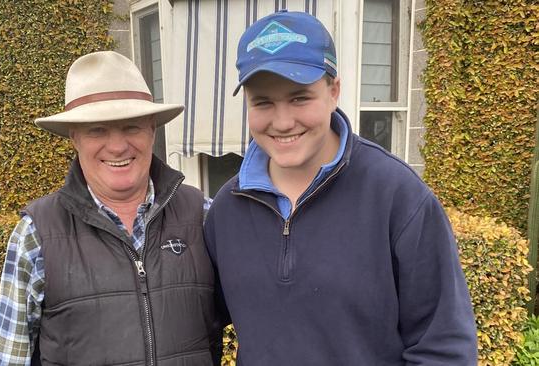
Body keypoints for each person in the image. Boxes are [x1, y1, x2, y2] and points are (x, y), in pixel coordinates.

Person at [204, 10, 478, 365]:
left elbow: (444, 347)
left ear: (334, 91)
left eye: (300, 97)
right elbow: (196, 325)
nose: (283, 121)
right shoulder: (228, 209)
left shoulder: (397, 195)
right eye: (263, 102)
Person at [0, 51, 221, 366]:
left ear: (152, 129)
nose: (117, 146)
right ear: (75, 138)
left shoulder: (203, 215)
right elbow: (8, 358)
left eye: (131, 127)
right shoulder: (36, 235)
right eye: (97, 130)